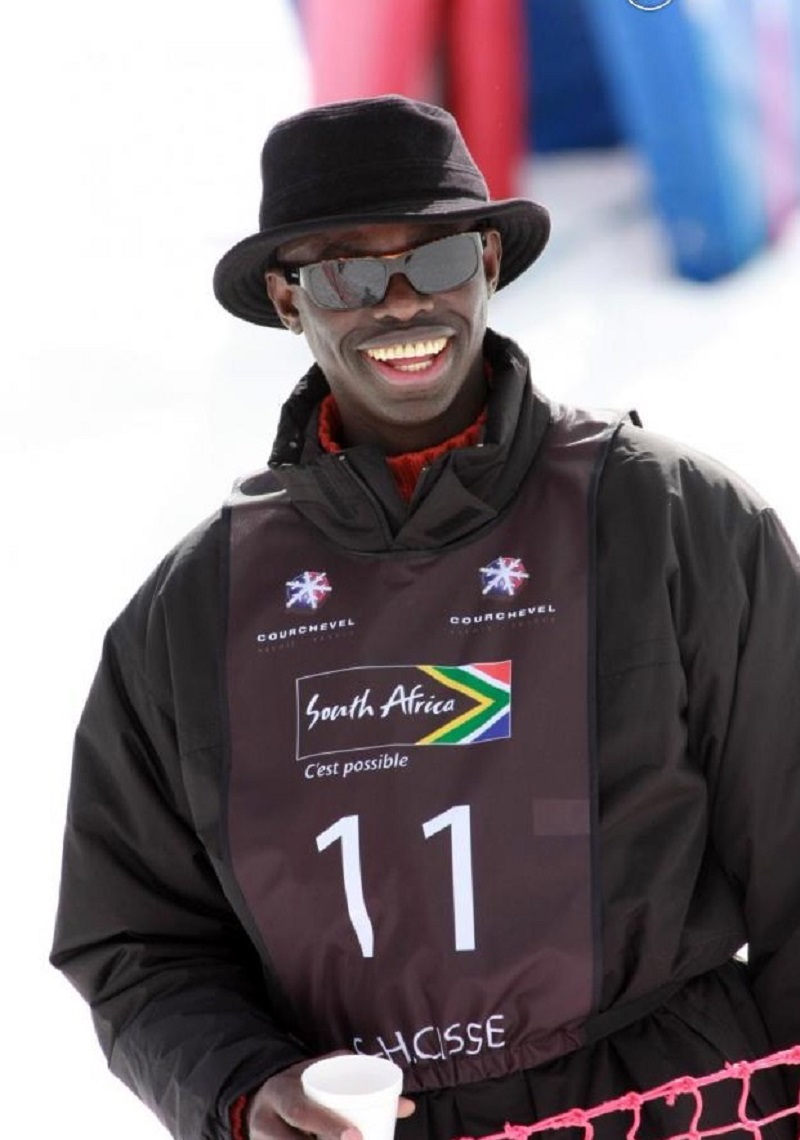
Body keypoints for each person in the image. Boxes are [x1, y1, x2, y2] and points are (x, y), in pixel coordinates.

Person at [51, 95, 800, 1140]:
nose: (402, 303)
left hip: (683, 1110)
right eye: (347, 275)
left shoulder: (670, 516)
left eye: (437, 259)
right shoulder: (190, 614)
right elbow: (138, 941)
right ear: (286, 298)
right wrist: (246, 1090)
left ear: (487, 262)